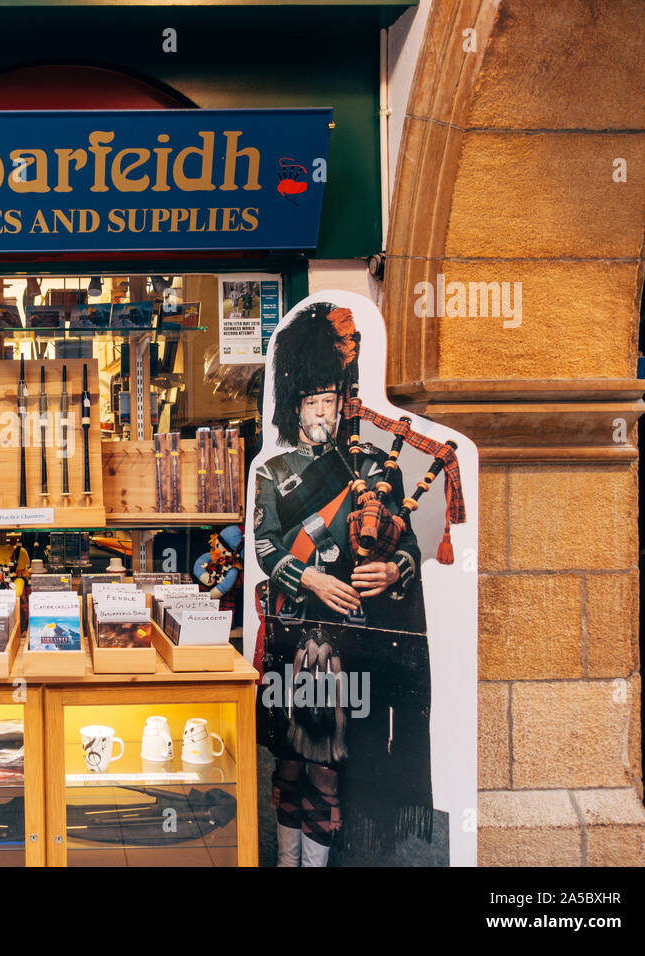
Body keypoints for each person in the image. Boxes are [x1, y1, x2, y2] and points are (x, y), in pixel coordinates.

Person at [252, 301, 432, 867]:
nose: (324, 414)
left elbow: (409, 544)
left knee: (330, 768)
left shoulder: (377, 466)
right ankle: (286, 861)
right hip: (294, 634)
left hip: (352, 640)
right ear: (295, 407)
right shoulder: (273, 474)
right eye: (313, 403)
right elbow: (263, 547)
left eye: (332, 401)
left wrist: (394, 568)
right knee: (287, 762)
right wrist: (308, 577)